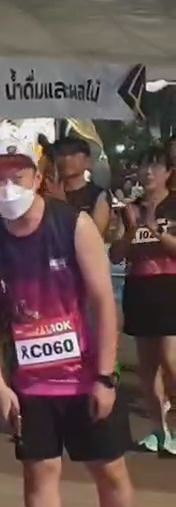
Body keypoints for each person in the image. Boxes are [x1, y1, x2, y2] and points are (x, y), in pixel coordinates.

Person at [0, 137, 135, 507]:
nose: (7, 186)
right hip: (30, 382)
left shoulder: (72, 224)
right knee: (40, 472)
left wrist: (105, 376)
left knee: (110, 471)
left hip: (85, 376)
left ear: (38, 177)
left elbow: (103, 301)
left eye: (17, 176)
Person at [109, 146, 176, 455]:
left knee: (170, 361)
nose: (148, 173)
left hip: (170, 286)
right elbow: (116, 255)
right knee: (147, 367)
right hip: (139, 287)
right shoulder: (130, 209)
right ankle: (159, 430)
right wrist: (131, 231)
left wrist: (156, 232)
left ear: (169, 172)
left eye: (156, 166)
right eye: (144, 166)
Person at [52, 136, 111, 237]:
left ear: (87, 161)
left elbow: (94, 236)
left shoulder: (98, 195)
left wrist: (62, 205)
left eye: (73, 153)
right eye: (61, 154)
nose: (67, 158)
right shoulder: (49, 192)